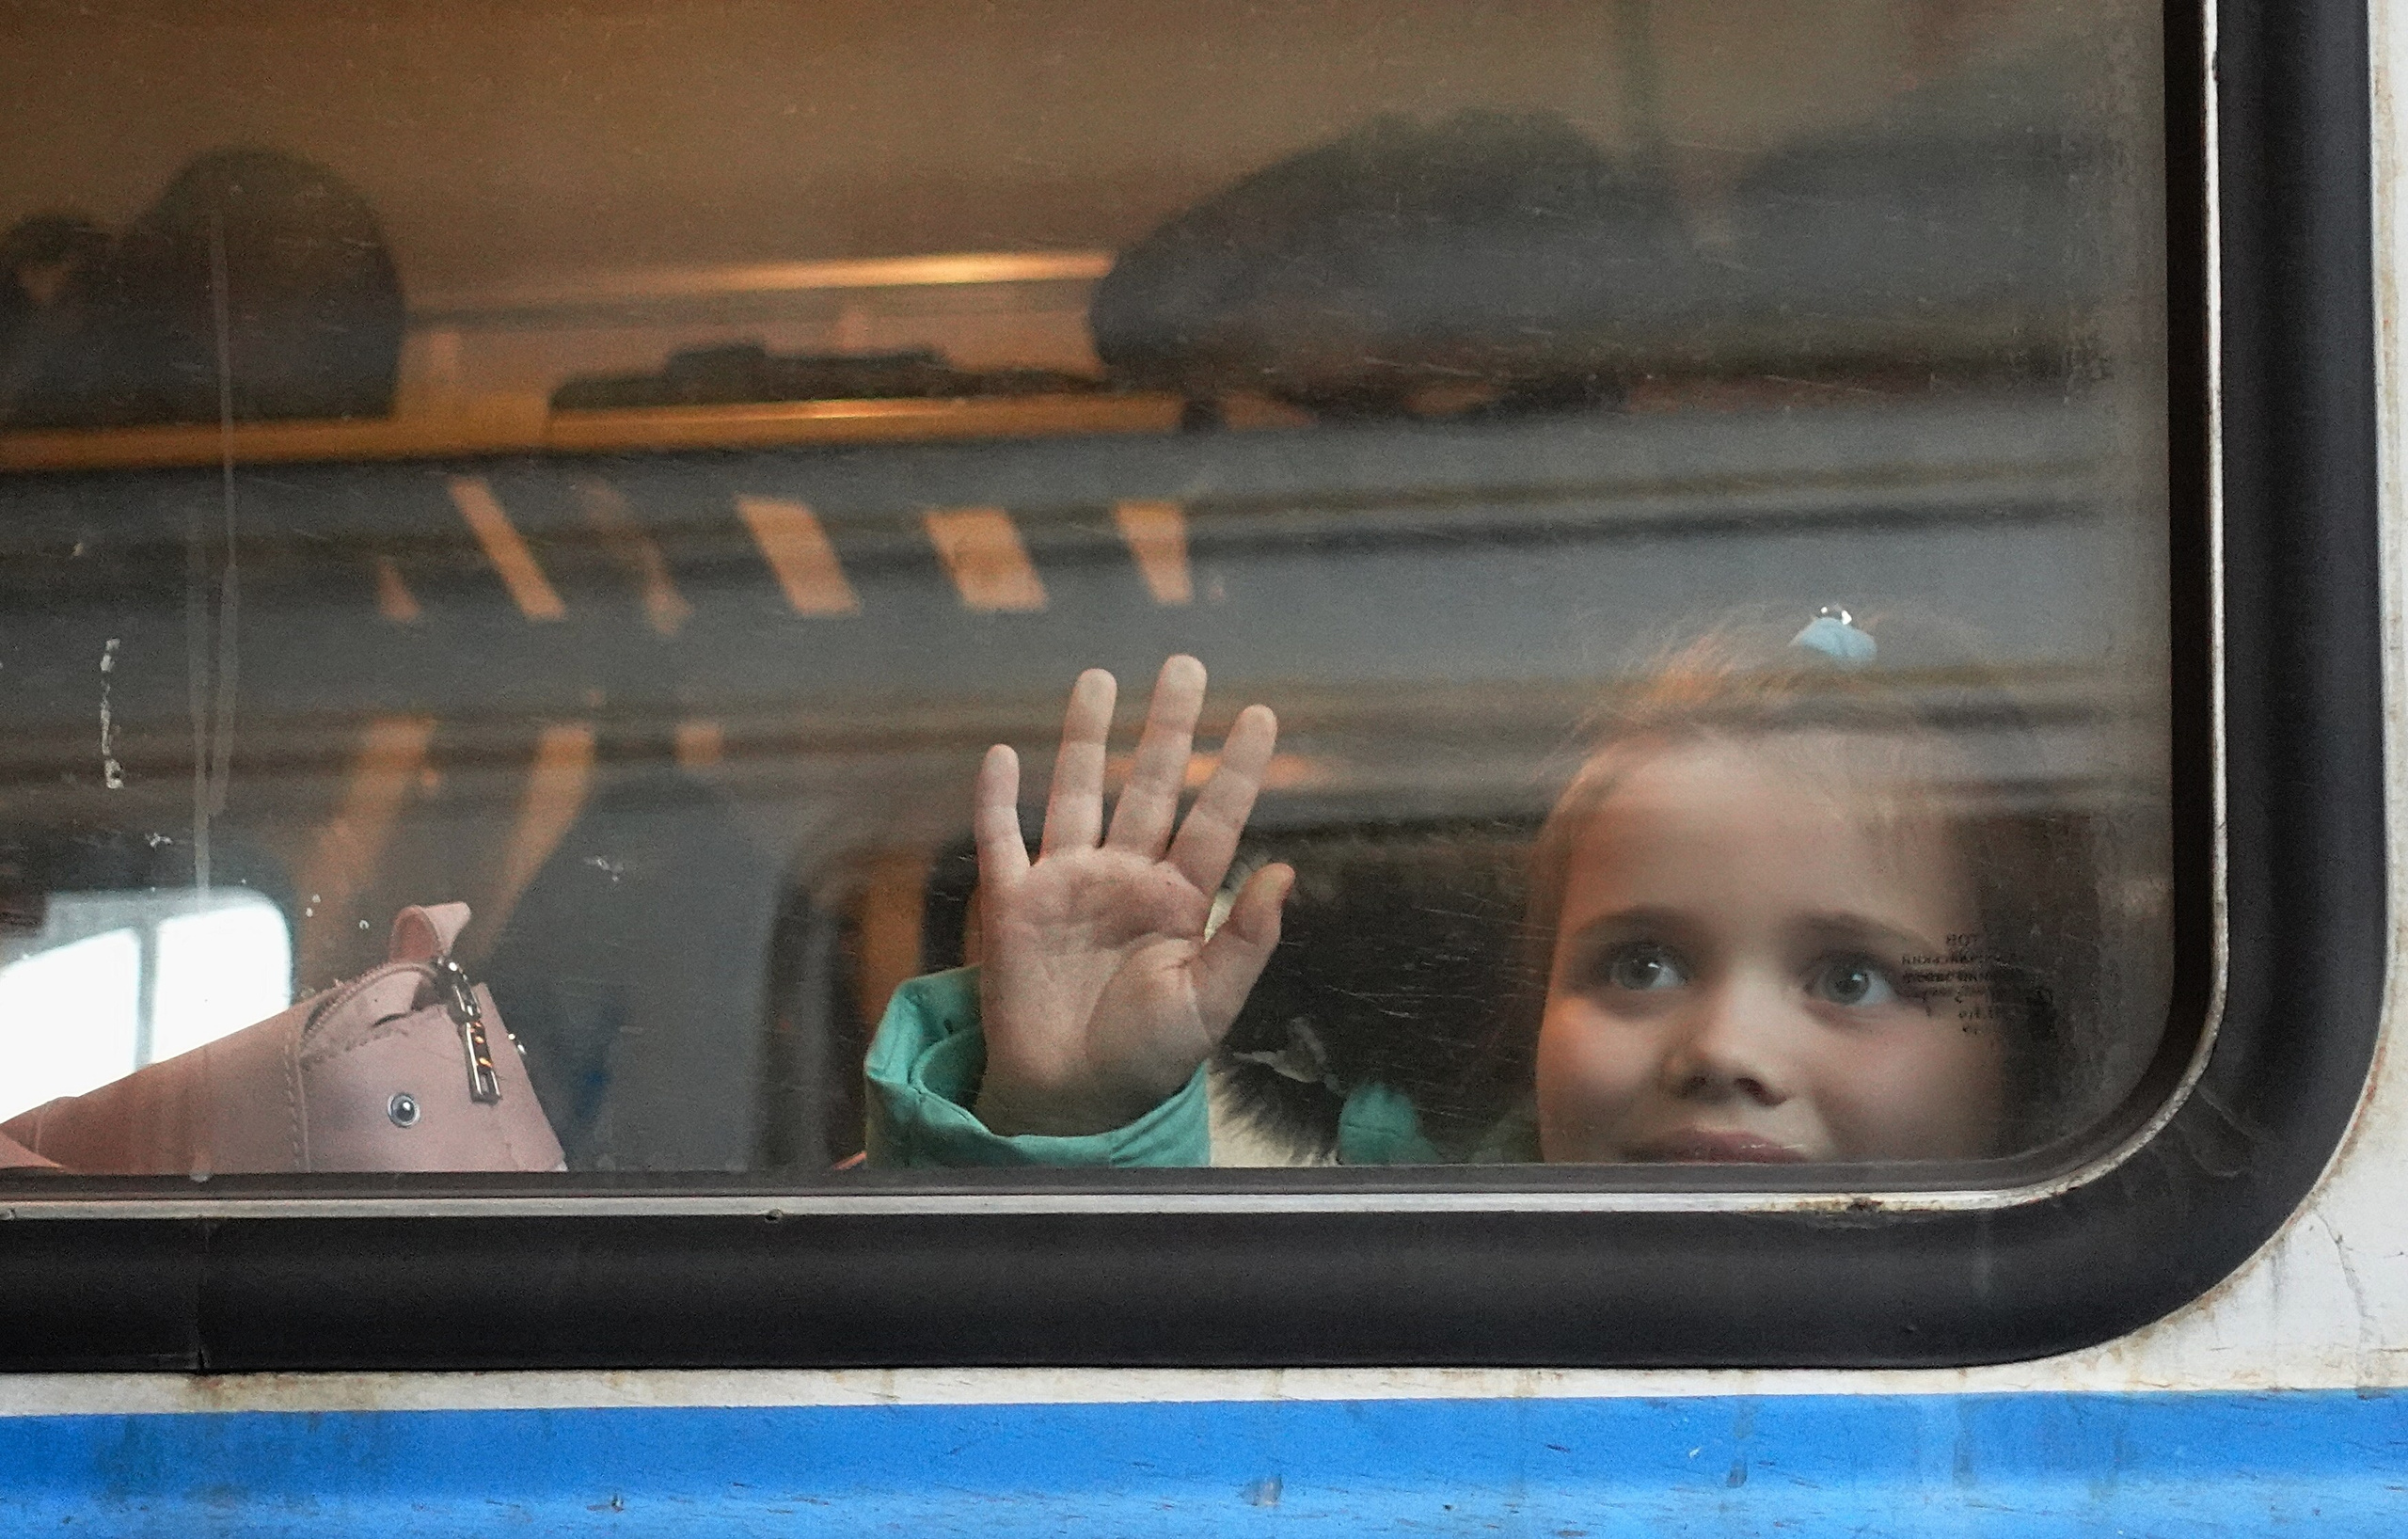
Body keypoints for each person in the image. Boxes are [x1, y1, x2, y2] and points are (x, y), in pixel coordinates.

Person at [866, 614, 2094, 1167]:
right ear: (1533, 1013)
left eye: (1852, 977)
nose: (1724, 1049)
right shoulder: (1392, 1281)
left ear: (2023, 1060)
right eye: (1641, 964)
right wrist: (1071, 1113)